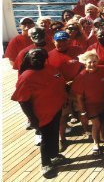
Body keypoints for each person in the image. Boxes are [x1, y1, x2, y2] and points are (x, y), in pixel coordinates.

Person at [12, 49, 70, 178]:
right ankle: (45, 164)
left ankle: (54, 156)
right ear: (29, 60)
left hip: (56, 109)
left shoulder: (52, 69)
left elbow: (60, 84)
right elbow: (23, 101)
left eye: (41, 58)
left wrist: (64, 98)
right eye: (34, 58)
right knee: (46, 139)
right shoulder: (26, 77)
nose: (38, 60)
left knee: (54, 134)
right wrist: (32, 119)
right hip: (41, 114)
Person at [72, 51, 104, 156]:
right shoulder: (81, 77)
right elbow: (79, 98)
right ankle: (96, 144)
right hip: (90, 105)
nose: (92, 64)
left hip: (103, 102)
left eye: (95, 61)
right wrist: (83, 112)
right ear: (85, 62)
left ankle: (103, 137)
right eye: (89, 62)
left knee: (103, 120)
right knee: (96, 124)